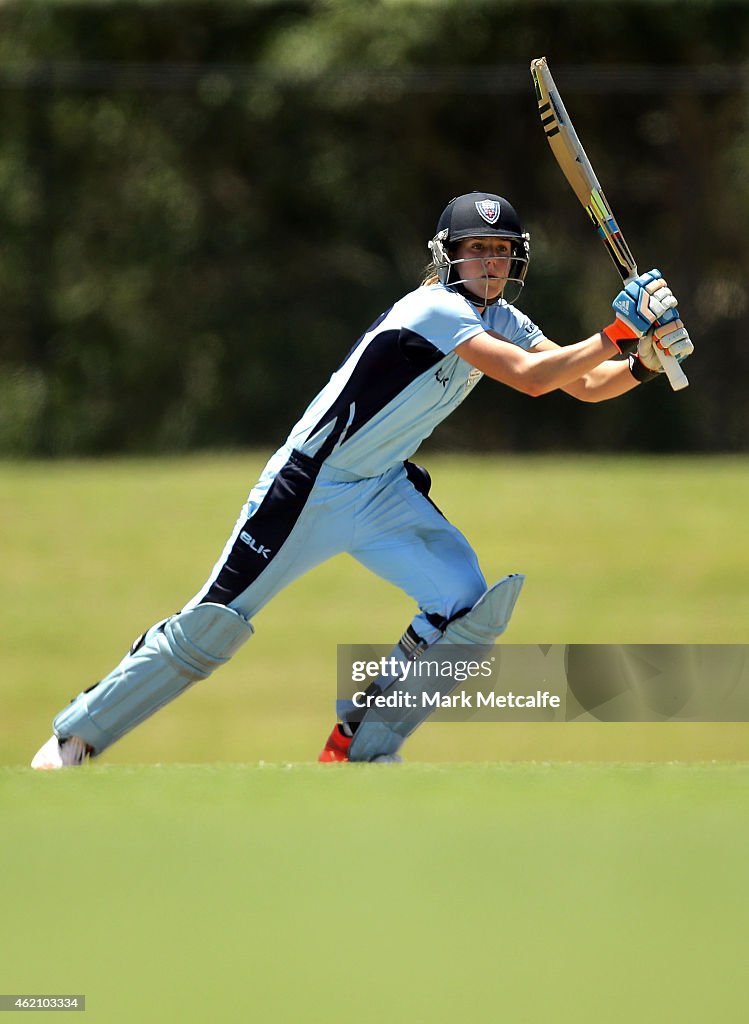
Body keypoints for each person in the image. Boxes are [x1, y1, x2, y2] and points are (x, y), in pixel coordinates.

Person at [31, 191, 693, 769]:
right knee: (212, 624)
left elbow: (579, 386)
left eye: (499, 250)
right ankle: (72, 741)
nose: (488, 263)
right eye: (475, 250)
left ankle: (357, 747)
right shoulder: (433, 309)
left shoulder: (507, 320)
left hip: (380, 489)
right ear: (448, 257)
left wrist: (644, 362)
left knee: (463, 602)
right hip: (308, 486)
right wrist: (617, 332)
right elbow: (527, 378)